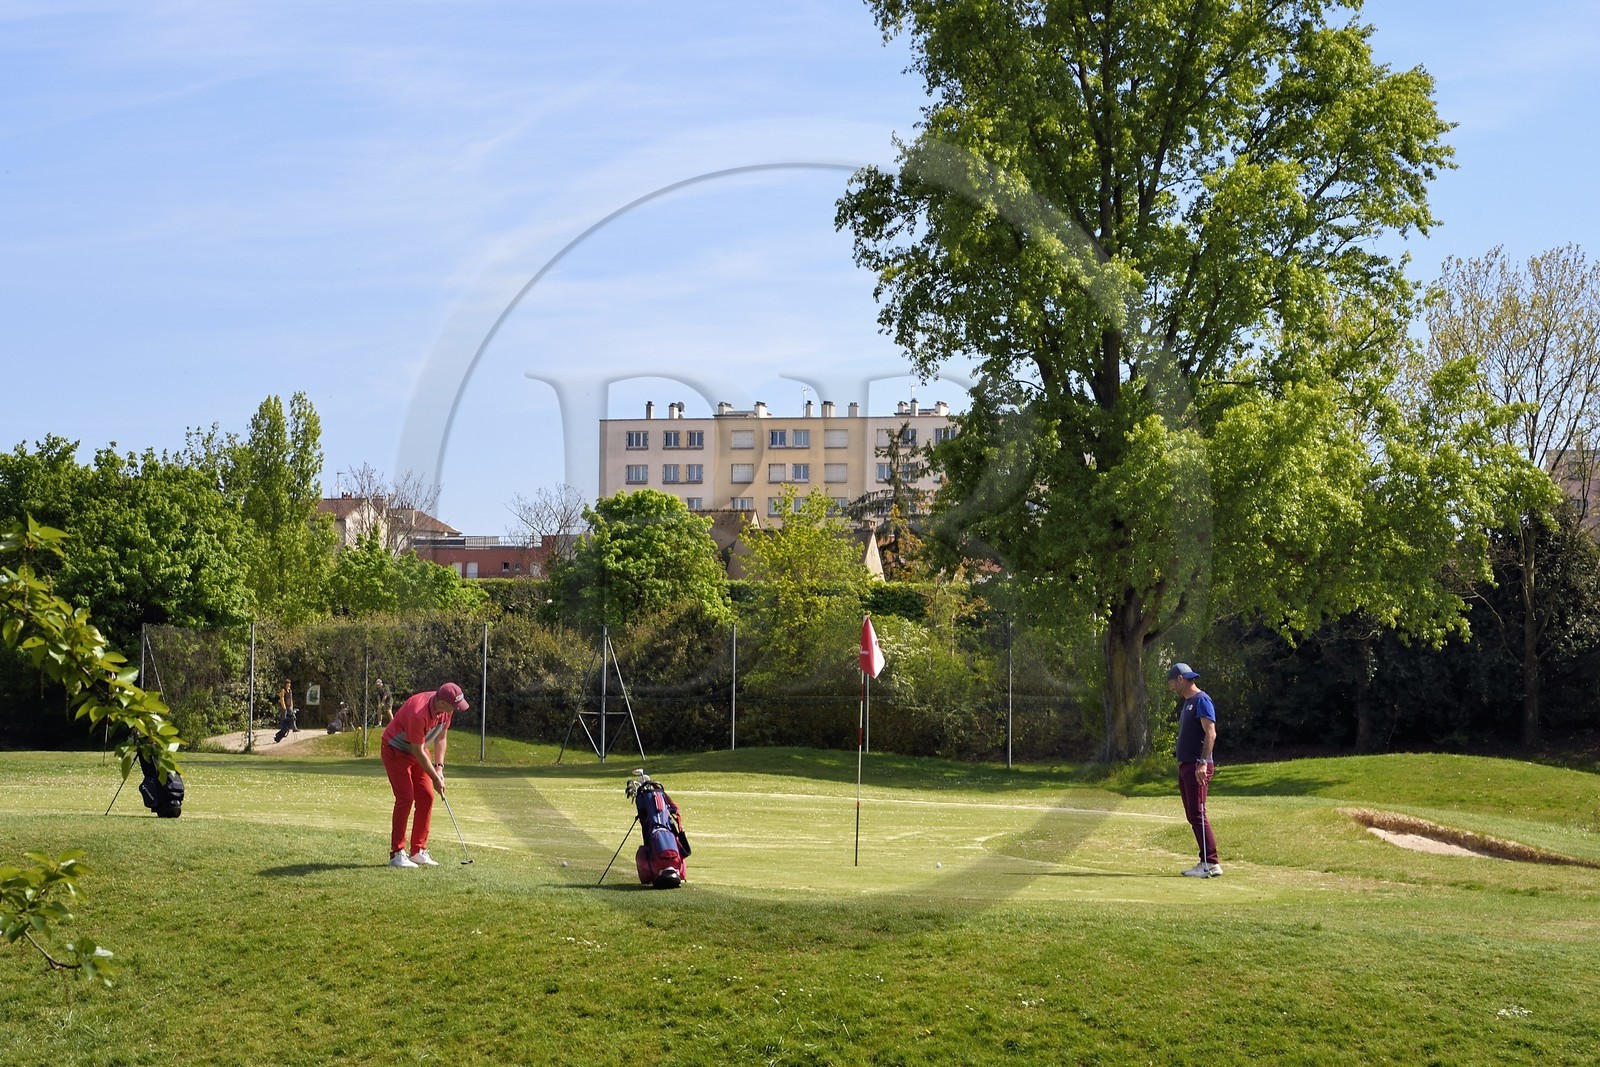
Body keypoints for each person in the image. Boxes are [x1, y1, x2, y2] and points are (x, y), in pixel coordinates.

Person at [381, 682, 469, 868]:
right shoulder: (418, 712)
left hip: (417, 749)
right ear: (443, 702)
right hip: (395, 749)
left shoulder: (446, 710)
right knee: (406, 798)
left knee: (427, 796)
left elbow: (441, 738)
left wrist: (439, 768)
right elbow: (418, 750)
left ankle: (418, 851)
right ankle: (397, 854)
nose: (456, 709)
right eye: (454, 705)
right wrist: (435, 778)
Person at [1169, 662, 1221, 878]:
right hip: (1187, 765)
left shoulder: (1201, 700)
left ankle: (1211, 863)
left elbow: (1211, 733)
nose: (1171, 687)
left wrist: (1202, 762)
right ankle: (1205, 861)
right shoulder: (1188, 703)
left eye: (1171, 683)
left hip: (1197, 766)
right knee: (1193, 814)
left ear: (1180, 679)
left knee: (1198, 813)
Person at [273, 679, 295, 743]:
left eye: (289, 684)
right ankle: (282, 729)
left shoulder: (290, 691)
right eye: (288, 684)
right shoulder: (283, 690)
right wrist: (284, 706)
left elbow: (291, 699)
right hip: (284, 707)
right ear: (285, 684)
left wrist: (291, 706)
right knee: (284, 718)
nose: (289, 685)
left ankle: (294, 727)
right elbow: (282, 699)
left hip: (289, 706)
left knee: (292, 716)